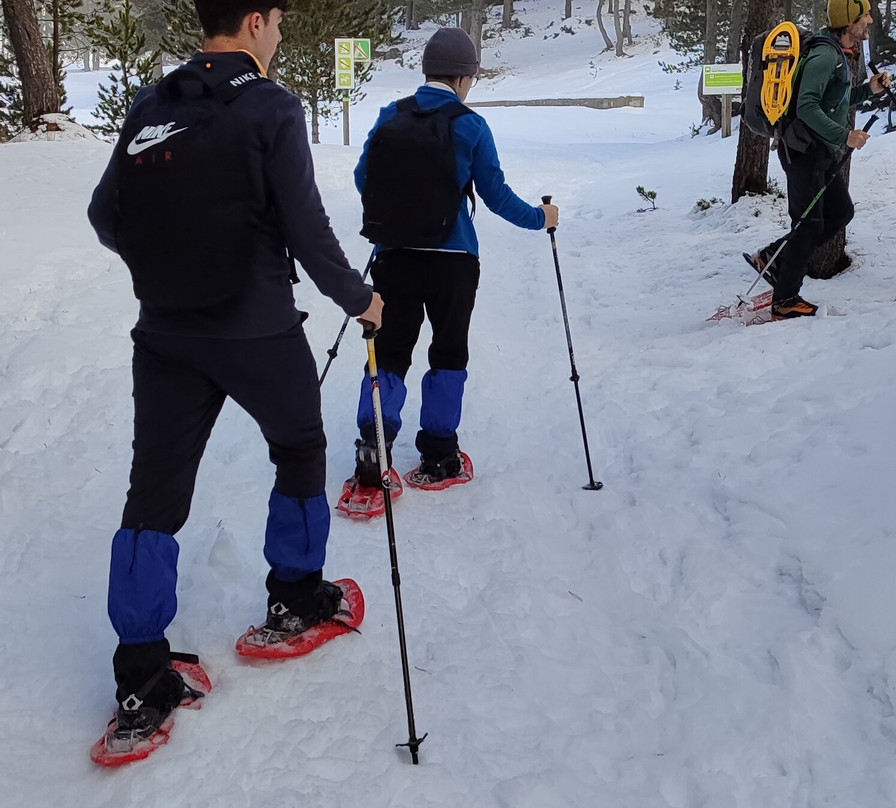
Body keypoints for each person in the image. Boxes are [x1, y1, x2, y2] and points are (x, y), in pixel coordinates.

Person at [87, 0, 382, 749]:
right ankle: (295, 598)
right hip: (256, 327)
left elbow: (104, 215)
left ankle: (141, 676)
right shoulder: (271, 106)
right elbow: (307, 229)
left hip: (164, 331)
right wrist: (361, 299)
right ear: (255, 21)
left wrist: (169, 264)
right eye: (277, 23)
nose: (278, 36)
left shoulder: (153, 102)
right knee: (300, 447)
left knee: (153, 494)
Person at [348, 27, 558, 491]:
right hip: (454, 260)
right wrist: (539, 218)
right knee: (448, 351)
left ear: (427, 70)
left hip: (394, 256)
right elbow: (495, 195)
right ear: (464, 77)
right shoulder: (471, 125)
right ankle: (440, 453)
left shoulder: (390, 116)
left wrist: (401, 213)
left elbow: (365, 178)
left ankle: (373, 446)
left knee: (389, 351)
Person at [750, 0, 891, 320]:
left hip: (819, 151)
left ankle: (774, 257)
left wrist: (868, 90)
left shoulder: (838, 52)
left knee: (840, 212)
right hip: (803, 151)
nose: (870, 20)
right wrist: (845, 136)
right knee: (809, 224)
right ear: (848, 20)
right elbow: (807, 107)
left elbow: (834, 100)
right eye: (864, 15)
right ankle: (785, 300)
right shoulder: (826, 56)